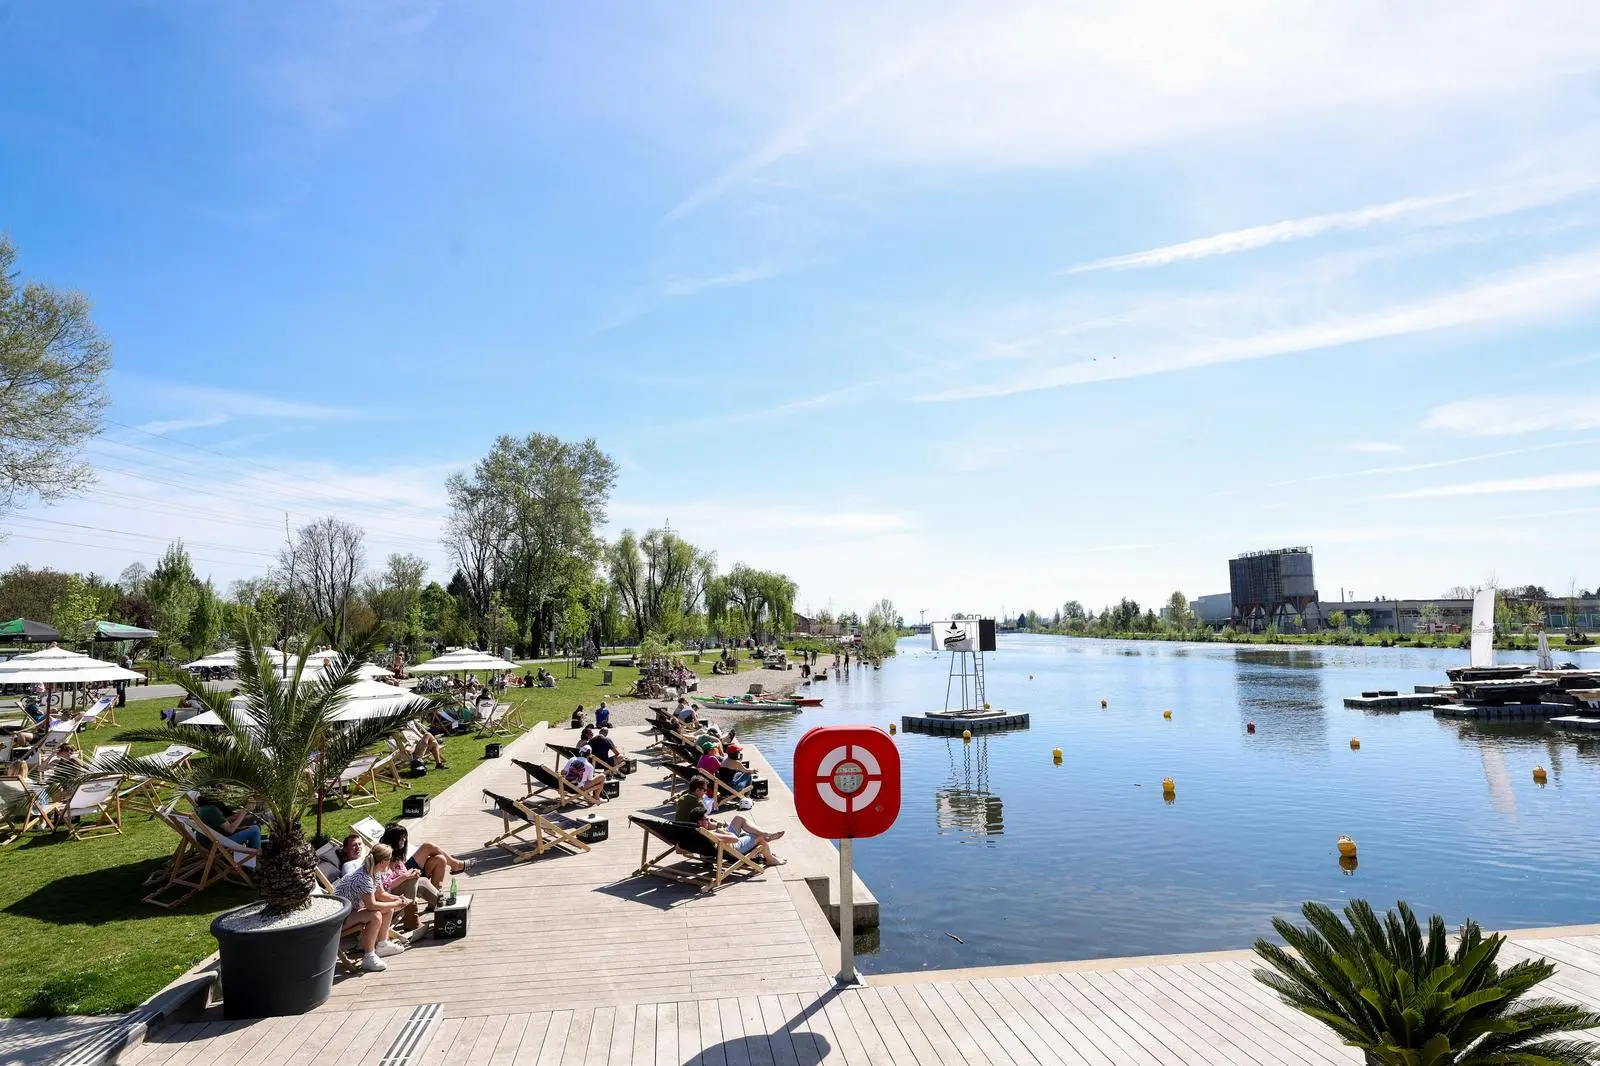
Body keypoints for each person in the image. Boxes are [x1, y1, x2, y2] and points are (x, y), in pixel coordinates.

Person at [332, 843, 407, 972]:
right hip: (336, 918)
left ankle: (382, 944)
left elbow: (381, 894)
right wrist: (396, 904)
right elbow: (372, 905)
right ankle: (369, 957)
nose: (390, 863)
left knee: (387, 908)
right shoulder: (364, 878)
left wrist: (398, 899)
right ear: (384, 861)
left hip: (350, 911)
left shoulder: (373, 872)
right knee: (375, 915)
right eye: (389, 860)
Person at [377, 824, 445, 911]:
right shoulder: (383, 859)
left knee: (422, 880)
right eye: (401, 838)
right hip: (388, 896)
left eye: (405, 837)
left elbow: (404, 873)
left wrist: (413, 873)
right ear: (393, 840)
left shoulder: (397, 857)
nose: (404, 840)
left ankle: (441, 903)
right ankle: (413, 916)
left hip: (402, 890)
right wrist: (405, 876)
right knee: (413, 880)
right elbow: (385, 887)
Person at [195, 797, 262, 850]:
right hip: (216, 844)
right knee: (255, 830)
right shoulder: (212, 810)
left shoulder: (204, 809)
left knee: (250, 824)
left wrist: (245, 811)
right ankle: (254, 859)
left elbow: (224, 820)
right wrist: (245, 811)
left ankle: (248, 858)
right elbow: (231, 829)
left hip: (208, 841)